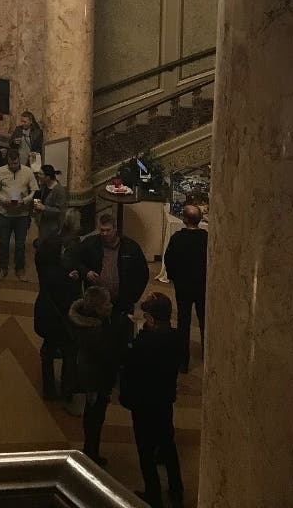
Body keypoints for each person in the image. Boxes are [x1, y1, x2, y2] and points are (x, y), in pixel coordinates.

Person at [122, 292, 187, 508]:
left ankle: (153, 493)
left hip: (143, 404)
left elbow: (130, 372)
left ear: (150, 318)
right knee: (168, 444)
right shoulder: (177, 338)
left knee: (145, 451)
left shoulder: (142, 345)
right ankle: (177, 489)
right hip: (165, 400)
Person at [67, 284, 133, 467]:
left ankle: (91, 449)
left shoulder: (88, 321)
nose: (111, 307)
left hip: (92, 376)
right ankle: (91, 452)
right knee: (94, 417)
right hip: (95, 379)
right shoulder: (94, 333)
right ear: (98, 309)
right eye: (107, 305)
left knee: (93, 416)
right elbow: (109, 355)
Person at [34, 213, 83, 401]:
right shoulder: (68, 247)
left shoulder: (49, 244)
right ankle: (66, 391)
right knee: (69, 351)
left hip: (48, 307)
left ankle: (49, 389)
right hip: (61, 309)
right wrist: (69, 279)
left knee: (49, 349)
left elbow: (44, 275)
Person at [74, 211, 149, 317]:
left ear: (115, 229)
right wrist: (86, 272)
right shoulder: (90, 243)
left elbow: (143, 273)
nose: (104, 234)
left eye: (108, 230)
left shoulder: (131, 247)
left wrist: (133, 298)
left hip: (122, 303)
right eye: (102, 230)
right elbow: (76, 260)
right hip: (96, 303)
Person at [163, 204, 208, 372]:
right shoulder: (206, 237)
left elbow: (169, 260)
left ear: (184, 219)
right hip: (202, 285)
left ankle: (183, 361)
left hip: (183, 286)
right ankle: (206, 352)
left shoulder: (177, 238)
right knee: (204, 320)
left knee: (184, 321)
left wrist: (175, 278)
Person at [0, 150, 37, 279]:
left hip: (22, 215)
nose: (13, 166)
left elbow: (34, 190)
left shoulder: (27, 171)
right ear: (7, 161)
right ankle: (2, 267)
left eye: (16, 163)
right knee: (4, 243)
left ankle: (20, 268)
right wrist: (3, 199)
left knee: (20, 244)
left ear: (19, 160)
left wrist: (26, 201)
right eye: (11, 164)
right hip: (5, 214)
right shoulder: (0, 171)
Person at [33, 163, 69, 244]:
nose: (38, 176)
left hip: (53, 227)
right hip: (43, 224)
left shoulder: (59, 190)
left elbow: (61, 210)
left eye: (41, 174)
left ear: (48, 177)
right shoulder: (44, 185)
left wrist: (44, 208)